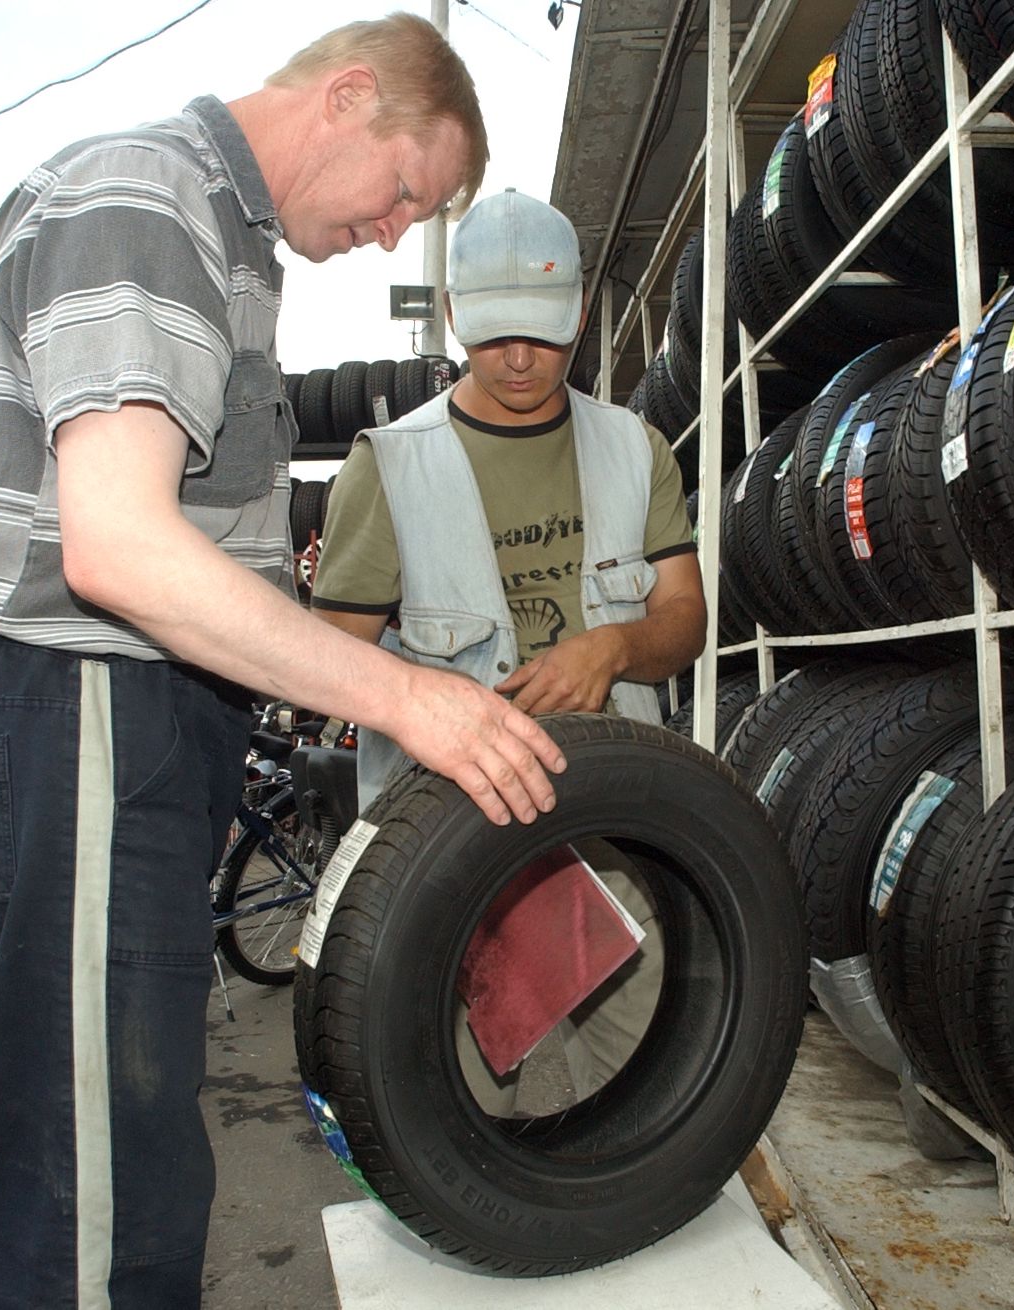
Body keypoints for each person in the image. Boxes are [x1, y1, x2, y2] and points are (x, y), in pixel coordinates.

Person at [0, 16, 565, 1309]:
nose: (389, 232)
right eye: (402, 195)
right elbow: (118, 547)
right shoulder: (149, 200)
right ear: (349, 100)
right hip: (76, 701)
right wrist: (404, 696)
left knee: (128, 1158)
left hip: (121, 724)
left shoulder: (218, 241)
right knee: (85, 1202)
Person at [310, 188, 706, 1111]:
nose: (519, 359)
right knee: (450, 1121)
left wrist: (610, 648)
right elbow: (332, 661)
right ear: (451, 315)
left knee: (646, 1100)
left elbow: (683, 619)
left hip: (615, 845)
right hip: (448, 854)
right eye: (492, 336)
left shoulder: (634, 449)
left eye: (542, 333)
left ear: (576, 318)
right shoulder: (390, 465)